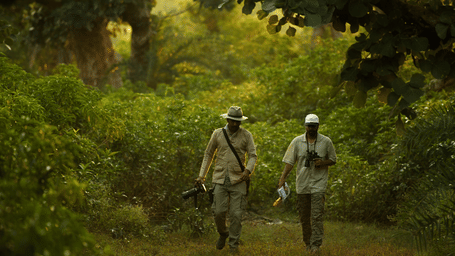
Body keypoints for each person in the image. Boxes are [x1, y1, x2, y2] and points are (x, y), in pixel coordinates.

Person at [195, 106, 257, 253]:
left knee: (236, 214)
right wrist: (201, 176)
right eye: (232, 121)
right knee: (218, 211)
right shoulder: (217, 134)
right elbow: (208, 154)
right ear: (227, 119)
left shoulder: (246, 135)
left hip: (239, 179)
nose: (235, 124)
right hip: (219, 178)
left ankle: (233, 245)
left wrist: (248, 170)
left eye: (237, 121)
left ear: (240, 121)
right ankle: (223, 233)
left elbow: (253, 155)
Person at [278, 114, 336, 253]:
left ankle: (316, 245)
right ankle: (308, 243)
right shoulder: (297, 142)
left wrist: (322, 162)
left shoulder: (326, 141)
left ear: (318, 126)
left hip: (318, 184)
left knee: (316, 215)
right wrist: (282, 179)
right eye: (309, 126)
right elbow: (289, 162)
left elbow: (333, 159)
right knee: (304, 217)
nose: (311, 128)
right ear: (305, 126)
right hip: (302, 184)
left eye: (313, 126)